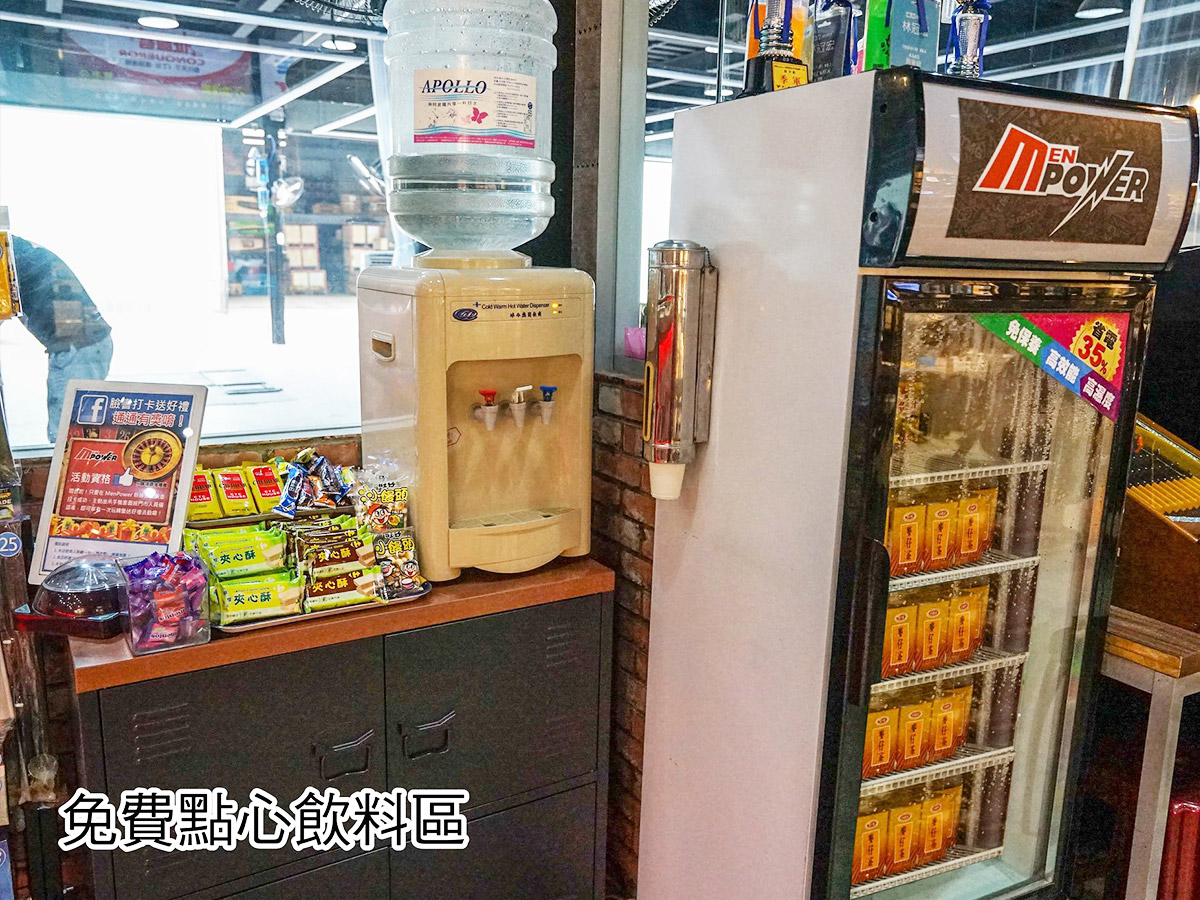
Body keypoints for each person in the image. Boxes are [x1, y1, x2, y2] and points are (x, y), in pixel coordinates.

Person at [9, 236, 113, 442]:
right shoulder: (13, 248)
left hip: (80, 347)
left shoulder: (6, 252)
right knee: (72, 432)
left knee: (67, 436)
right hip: (82, 345)